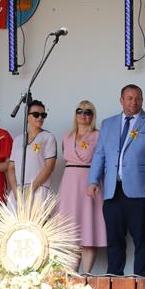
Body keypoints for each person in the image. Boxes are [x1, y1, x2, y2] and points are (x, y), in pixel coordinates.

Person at [87, 85, 145, 277]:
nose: (133, 102)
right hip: (112, 190)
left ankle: (142, 280)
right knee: (114, 239)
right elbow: (100, 154)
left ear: (142, 100)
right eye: (129, 98)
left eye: (137, 98)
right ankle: (114, 278)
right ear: (121, 100)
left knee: (142, 239)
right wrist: (93, 180)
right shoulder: (108, 123)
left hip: (140, 189)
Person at [57, 100, 105, 274]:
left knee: (87, 229)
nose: (83, 115)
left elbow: (103, 160)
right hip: (69, 183)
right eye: (80, 111)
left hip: (88, 181)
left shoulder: (98, 135)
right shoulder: (66, 136)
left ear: (93, 116)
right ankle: (72, 276)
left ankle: (86, 275)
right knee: (70, 232)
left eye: (88, 112)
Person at [7, 100, 57, 203]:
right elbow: (11, 167)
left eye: (43, 115)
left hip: (38, 189)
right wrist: (15, 190)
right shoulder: (18, 140)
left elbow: (49, 167)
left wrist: (30, 189)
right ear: (27, 116)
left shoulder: (48, 137)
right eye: (36, 114)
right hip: (18, 191)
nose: (40, 118)